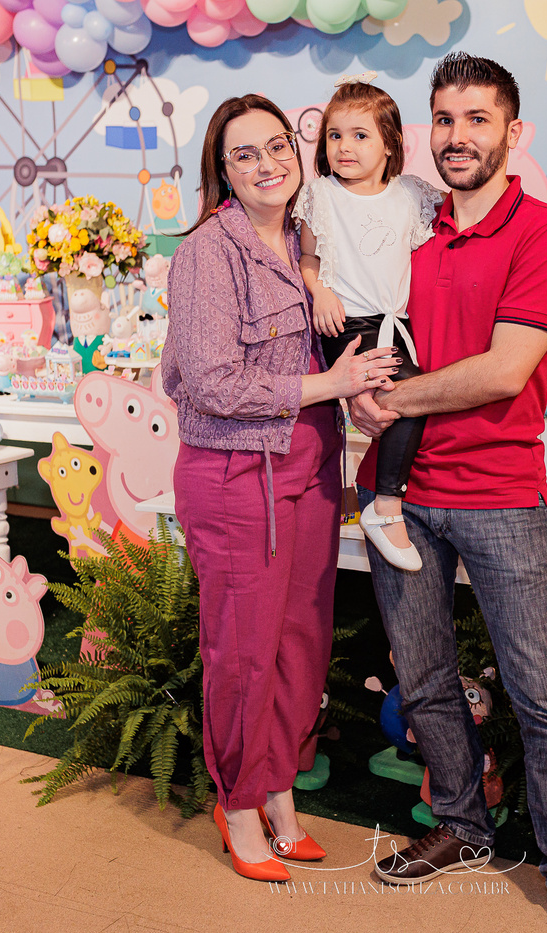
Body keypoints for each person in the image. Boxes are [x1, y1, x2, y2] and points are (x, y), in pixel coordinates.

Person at [349, 54, 547, 933]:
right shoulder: (407, 225)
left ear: (513, 132)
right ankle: (463, 825)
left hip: (500, 494)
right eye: (444, 118)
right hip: (397, 497)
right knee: (425, 676)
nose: (457, 135)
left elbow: (507, 370)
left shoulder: (543, 230)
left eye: (477, 118)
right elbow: (363, 326)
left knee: (543, 692)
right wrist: (355, 388)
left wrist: (397, 400)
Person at [164, 93, 399, 883]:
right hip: (238, 477)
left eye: (277, 147)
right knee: (243, 650)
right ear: (222, 170)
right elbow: (210, 381)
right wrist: (330, 384)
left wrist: (355, 395)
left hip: (313, 469)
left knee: (301, 643)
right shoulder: (209, 252)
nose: (267, 164)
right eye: (245, 154)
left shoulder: (308, 237)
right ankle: (237, 803)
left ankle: (279, 790)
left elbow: (339, 344)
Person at [292, 73, 442, 571]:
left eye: (360, 135)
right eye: (335, 135)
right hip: (349, 324)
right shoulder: (321, 195)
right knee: (408, 394)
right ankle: (387, 504)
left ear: (390, 143)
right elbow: (308, 258)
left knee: (413, 395)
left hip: (395, 324)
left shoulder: (410, 195)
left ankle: (384, 497)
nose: (344, 147)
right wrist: (321, 291)